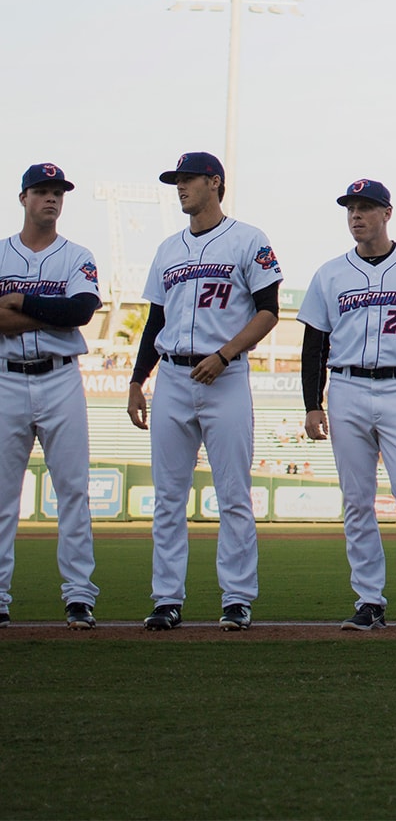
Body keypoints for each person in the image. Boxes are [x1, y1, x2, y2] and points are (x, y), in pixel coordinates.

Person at [128, 152, 282, 632]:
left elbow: (269, 310)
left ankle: (237, 598)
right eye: (177, 181)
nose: (180, 187)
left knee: (233, 493)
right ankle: (167, 598)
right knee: (168, 497)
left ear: (215, 183)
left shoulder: (248, 239)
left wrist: (227, 354)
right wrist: (137, 379)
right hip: (172, 376)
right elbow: (157, 320)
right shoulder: (167, 249)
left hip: (225, 378)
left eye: (188, 179)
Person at [298, 179, 396, 632]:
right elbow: (315, 345)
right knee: (357, 500)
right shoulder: (330, 273)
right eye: (351, 208)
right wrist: (313, 403)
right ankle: (370, 600)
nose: (356, 216)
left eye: (366, 207)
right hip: (346, 387)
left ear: (388, 213)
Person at [0, 164, 101, 630]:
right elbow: (60, 312)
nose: (51, 199)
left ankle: (79, 596)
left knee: (73, 490)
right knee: (2, 496)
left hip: (60, 379)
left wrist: (19, 304)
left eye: (58, 192)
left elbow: (80, 310)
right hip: (6, 380)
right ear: (23, 198)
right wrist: (47, 312)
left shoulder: (77, 255)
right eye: (42, 191)